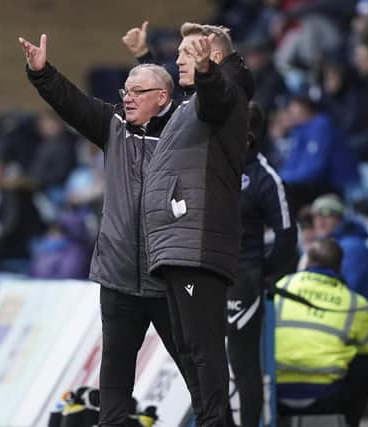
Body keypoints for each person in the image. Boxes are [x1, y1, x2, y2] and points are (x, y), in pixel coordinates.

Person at [18, 33, 183, 426]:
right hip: (118, 274)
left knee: (195, 368)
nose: (126, 97)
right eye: (125, 90)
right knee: (114, 377)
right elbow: (71, 103)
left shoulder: (185, 133)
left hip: (171, 276)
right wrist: (42, 73)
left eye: (137, 91)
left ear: (162, 97)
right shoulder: (113, 126)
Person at [141, 23, 253, 427]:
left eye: (189, 54)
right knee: (187, 347)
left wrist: (207, 73)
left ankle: (212, 422)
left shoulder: (224, 96)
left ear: (213, 58)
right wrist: (143, 60)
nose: (178, 60)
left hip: (197, 242)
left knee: (202, 346)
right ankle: (212, 420)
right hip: (178, 242)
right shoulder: (190, 107)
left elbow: (217, 95)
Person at [227, 102, 297, 427]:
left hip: (242, 277)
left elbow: (286, 235)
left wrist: (261, 271)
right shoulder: (211, 163)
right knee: (205, 361)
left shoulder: (265, 178)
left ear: (249, 137)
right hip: (204, 276)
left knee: (242, 364)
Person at [274, 239, 368, 427]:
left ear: (306, 262)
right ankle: (348, 422)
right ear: (340, 266)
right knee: (366, 361)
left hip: (276, 393)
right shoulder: (355, 303)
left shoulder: (281, 287)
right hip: (325, 396)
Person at [310, 194, 368, 305]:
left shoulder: (353, 248)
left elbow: (347, 291)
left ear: (341, 219)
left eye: (328, 214)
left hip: (356, 317)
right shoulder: (326, 245)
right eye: (316, 215)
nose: (320, 221)